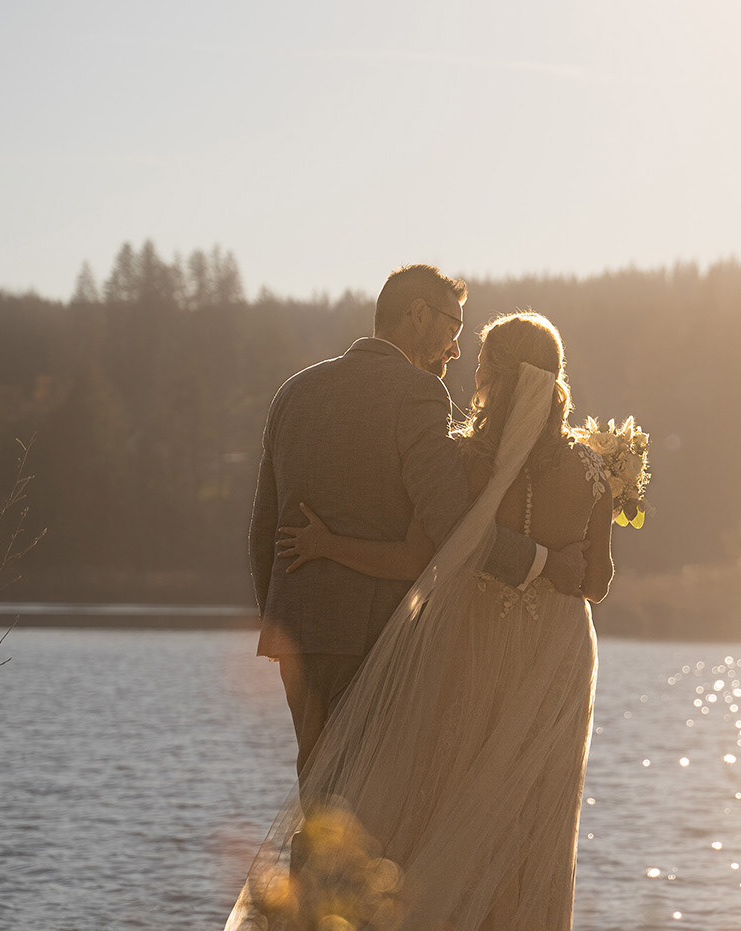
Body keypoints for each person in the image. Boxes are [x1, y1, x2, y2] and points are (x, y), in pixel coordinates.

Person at [139, 312, 622, 931]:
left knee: (446, 808)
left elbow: (428, 554)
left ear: (497, 377)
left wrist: (328, 548)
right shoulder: (595, 472)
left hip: (474, 652)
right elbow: (595, 582)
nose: (471, 371)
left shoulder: (464, 462)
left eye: (482, 362)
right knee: (532, 824)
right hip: (554, 662)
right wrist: (558, 564)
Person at [248, 263, 586, 776]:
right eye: (453, 328)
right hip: (375, 634)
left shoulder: (293, 391)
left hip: (297, 631)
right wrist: (543, 562)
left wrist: (279, 619)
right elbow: (453, 526)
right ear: (418, 314)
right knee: (364, 797)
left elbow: (263, 531)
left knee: (316, 786)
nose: (456, 350)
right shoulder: (418, 392)